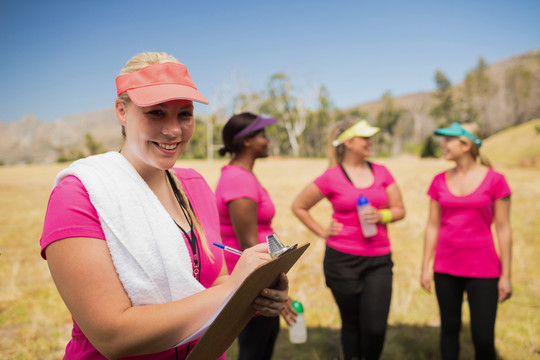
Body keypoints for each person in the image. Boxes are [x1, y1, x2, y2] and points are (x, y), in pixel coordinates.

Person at [40, 52, 289, 360]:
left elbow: (216, 281)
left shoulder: (194, 185)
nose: (173, 130)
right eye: (156, 113)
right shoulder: (81, 194)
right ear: (121, 111)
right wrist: (233, 290)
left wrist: (256, 293)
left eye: (185, 114)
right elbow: (113, 337)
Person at [291, 119, 405, 360]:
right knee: (351, 324)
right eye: (365, 138)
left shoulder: (382, 172)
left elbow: (399, 209)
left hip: (379, 261)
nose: (370, 142)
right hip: (341, 261)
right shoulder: (331, 176)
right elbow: (299, 206)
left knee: (375, 329)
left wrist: (382, 215)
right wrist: (322, 231)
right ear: (349, 142)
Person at [420, 122, 512, 360]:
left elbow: (503, 228)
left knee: (483, 338)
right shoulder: (438, 181)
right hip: (445, 267)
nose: (443, 144)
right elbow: (432, 225)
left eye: (449, 140)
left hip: (484, 269)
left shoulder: (496, 180)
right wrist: (425, 267)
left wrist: (506, 275)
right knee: (449, 331)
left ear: (466, 144)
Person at [214, 112, 295, 360]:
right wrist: (273, 288)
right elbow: (249, 244)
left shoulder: (243, 175)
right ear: (246, 141)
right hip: (252, 284)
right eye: (262, 135)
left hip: (260, 280)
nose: (267, 140)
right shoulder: (239, 179)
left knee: (262, 345)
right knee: (255, 351)